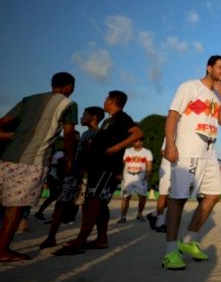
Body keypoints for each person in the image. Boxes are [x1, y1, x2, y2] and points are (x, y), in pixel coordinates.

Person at [161, 55, 221, 271]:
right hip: (189, 146)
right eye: (220, 67)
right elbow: (172, 116)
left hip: (210, 149)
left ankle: (188, 240)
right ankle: (170, 251)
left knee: (214, 195)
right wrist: (171, 145)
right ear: (209, 68)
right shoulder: (190, 86)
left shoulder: (218, 96)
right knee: (179, 199)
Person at [0, 71, 77, 261]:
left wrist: (11, 136)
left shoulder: (29, 99)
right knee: (16, 206)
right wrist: (69, 159)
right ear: (69, 87)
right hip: (34, 160)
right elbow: (68, 135)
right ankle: (2, 250)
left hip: (8, 156)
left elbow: (4, 122)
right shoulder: (69, 104)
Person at [53, 90, 142, 254]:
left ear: (113, 101)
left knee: (94, 201)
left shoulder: (122, 117)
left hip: (106, 167)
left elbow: (137, 133)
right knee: (99, 204)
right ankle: (101, 239)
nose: (104, 101)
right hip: (97, 166)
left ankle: (81, 239)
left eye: (107, 98)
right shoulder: (109, 121)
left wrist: (116, 147)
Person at [40, 106, 104, 249]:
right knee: (65, 204)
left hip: (83, 175)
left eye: (85, 115)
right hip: (77, 174)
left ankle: (74, 238)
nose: (82, 117)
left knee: (79, 207)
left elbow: (90, 156)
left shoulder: (96, 135)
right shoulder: (87, 134)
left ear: (94, 117)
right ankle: (54, 237)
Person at [118, 137, 153, 223]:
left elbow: (149, 164)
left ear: (142, 143)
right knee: (125, 197)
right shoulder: (127, 151)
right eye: (135, 140)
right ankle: (123, 217)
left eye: (137, 141)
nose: (135, 142)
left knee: (143, 197)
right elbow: (121, 163)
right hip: (128, 176)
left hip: (140, 176)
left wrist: (148, 174)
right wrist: (119, 174)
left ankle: (139, 214)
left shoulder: (147, 152)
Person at [33, 144, 66, 221]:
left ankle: (41, 212)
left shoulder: (59, 153)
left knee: (54, 196)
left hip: (53, 176)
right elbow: (53, 164)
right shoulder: (60, 154)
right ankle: (44, 213)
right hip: (54, 176)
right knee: (55, 196)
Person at [146, 139, 170, 233]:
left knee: (177, 198)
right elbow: (163, 151)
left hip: (181, 169)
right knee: (163, 195)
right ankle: (160, 222)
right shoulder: (172, 133)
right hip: (168, 168)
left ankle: (154, 214)